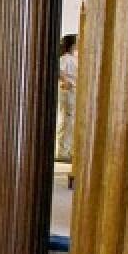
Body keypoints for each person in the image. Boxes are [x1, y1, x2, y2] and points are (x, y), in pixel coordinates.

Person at [56, 33, 78, 162]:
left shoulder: (73, 58)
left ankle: (68, 149)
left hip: (74, 91)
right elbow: (60, 71)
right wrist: (66, 82)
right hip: (69, 91)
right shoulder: (65, 58)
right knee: (67, 120)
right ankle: (62, 150)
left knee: (71, 121)